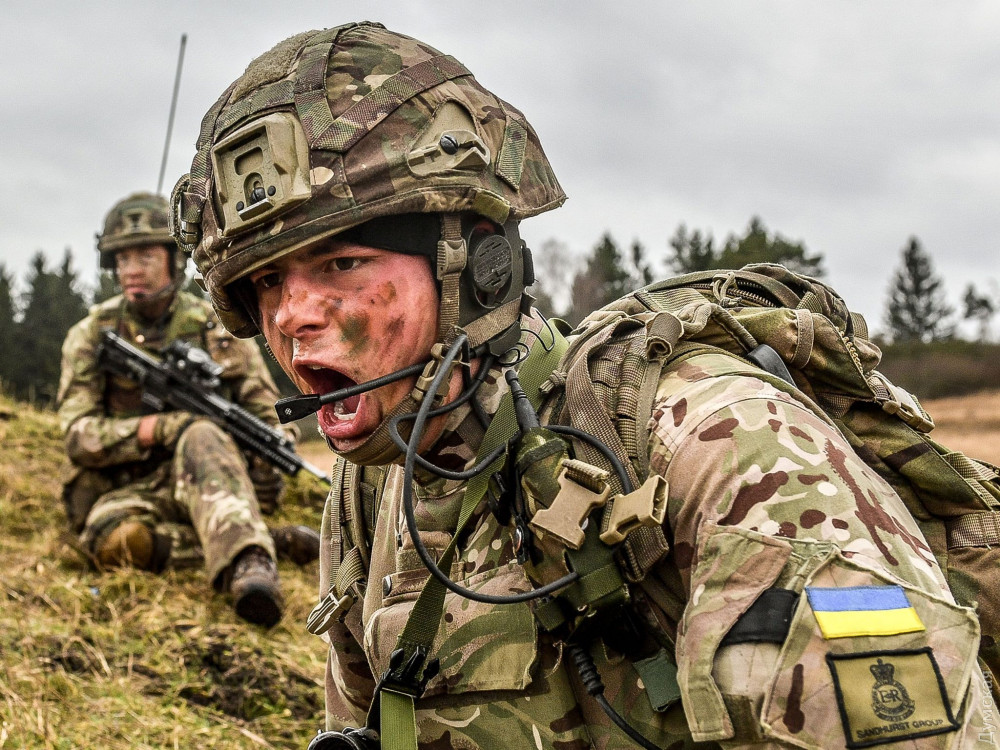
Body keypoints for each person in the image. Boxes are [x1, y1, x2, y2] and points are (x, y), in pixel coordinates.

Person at [173, 23, 996, 748]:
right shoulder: (369, 493)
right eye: (268, 283)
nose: (293, 317)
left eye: (343, 263)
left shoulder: (719, 441)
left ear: (480, 268)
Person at [57, 191, 319, 628]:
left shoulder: (216, 329)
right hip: (130, 488)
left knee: (201, 433)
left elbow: (264, 411)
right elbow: (78, 436)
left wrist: (270, 452)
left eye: (144, 256)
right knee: (117, 543)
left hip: (214, 478)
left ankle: (251, 567)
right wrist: (162, 428)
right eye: (122, 259)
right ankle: (265, 541)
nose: (131, 269)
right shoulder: (91, 335)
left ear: (173, 259)